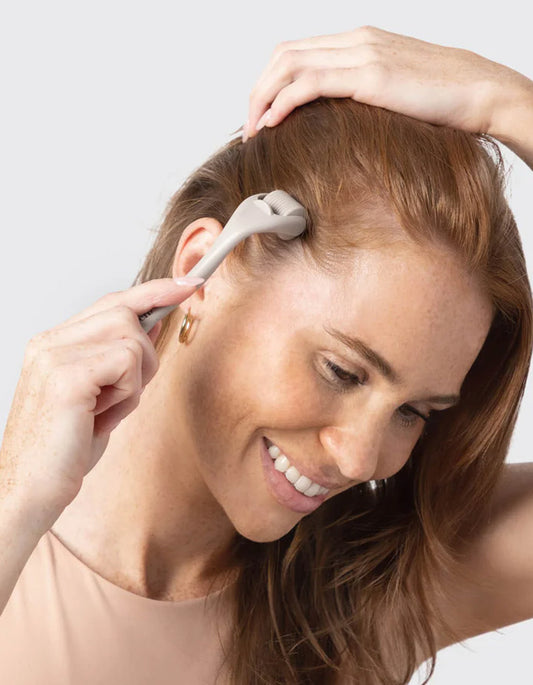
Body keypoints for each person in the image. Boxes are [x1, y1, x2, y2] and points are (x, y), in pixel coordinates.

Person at [0, 24, 532, 685]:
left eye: (413, 412)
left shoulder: (368, 596)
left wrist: (508, 102)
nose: (361, 459)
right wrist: (13, 506)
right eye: (341, 371)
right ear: (203, 270)